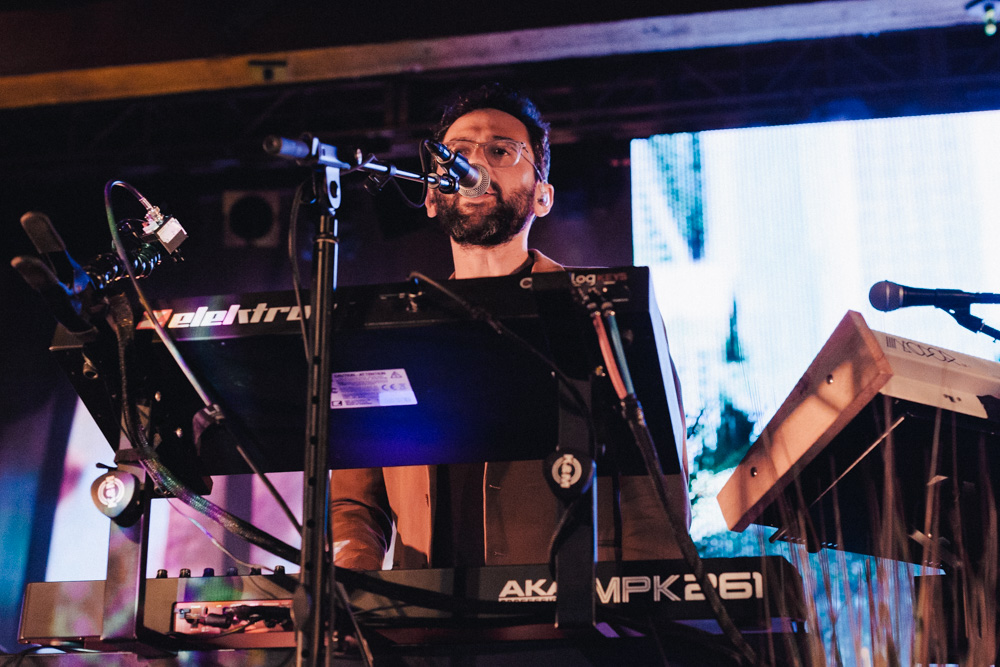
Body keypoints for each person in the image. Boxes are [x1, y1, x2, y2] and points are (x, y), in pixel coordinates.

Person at [330, 83, 690, 571]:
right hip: (427, 629)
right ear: (432, 197)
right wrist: (357, 593)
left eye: (501, 151)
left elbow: (655, 494)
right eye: (456, 154)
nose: (475, 166)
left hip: (573, 628)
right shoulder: (393, 327)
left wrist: (643, 615)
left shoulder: (602, 309)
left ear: (543, 196)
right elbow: (355, 502)